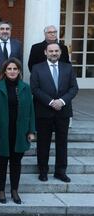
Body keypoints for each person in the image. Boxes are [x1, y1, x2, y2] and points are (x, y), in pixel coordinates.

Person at [0, 58, 36, 204]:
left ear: (19, 71)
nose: (12, 71)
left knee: (16, 163)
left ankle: (14, 190)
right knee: (1, 162)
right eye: (9, 69)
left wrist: (31, 130)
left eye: (15, 69)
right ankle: (1, 190)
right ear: (4, 71)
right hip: (2, 131)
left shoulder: (25, 87)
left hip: (19, 131)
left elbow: (31, 110)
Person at [30, 42, 78, 183]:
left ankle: (60, 171)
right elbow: (35, 89)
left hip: (63, 111)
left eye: (56, 51)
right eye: (51, 51)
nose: (54, 53)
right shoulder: (37, 68)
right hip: (44, 112)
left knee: (62, 143)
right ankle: (43, 171)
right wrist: (51, 102)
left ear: (60, 52)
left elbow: (74, 88)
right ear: (45, 52)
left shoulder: (68, 68)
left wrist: (61, 101)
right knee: (43, 143)